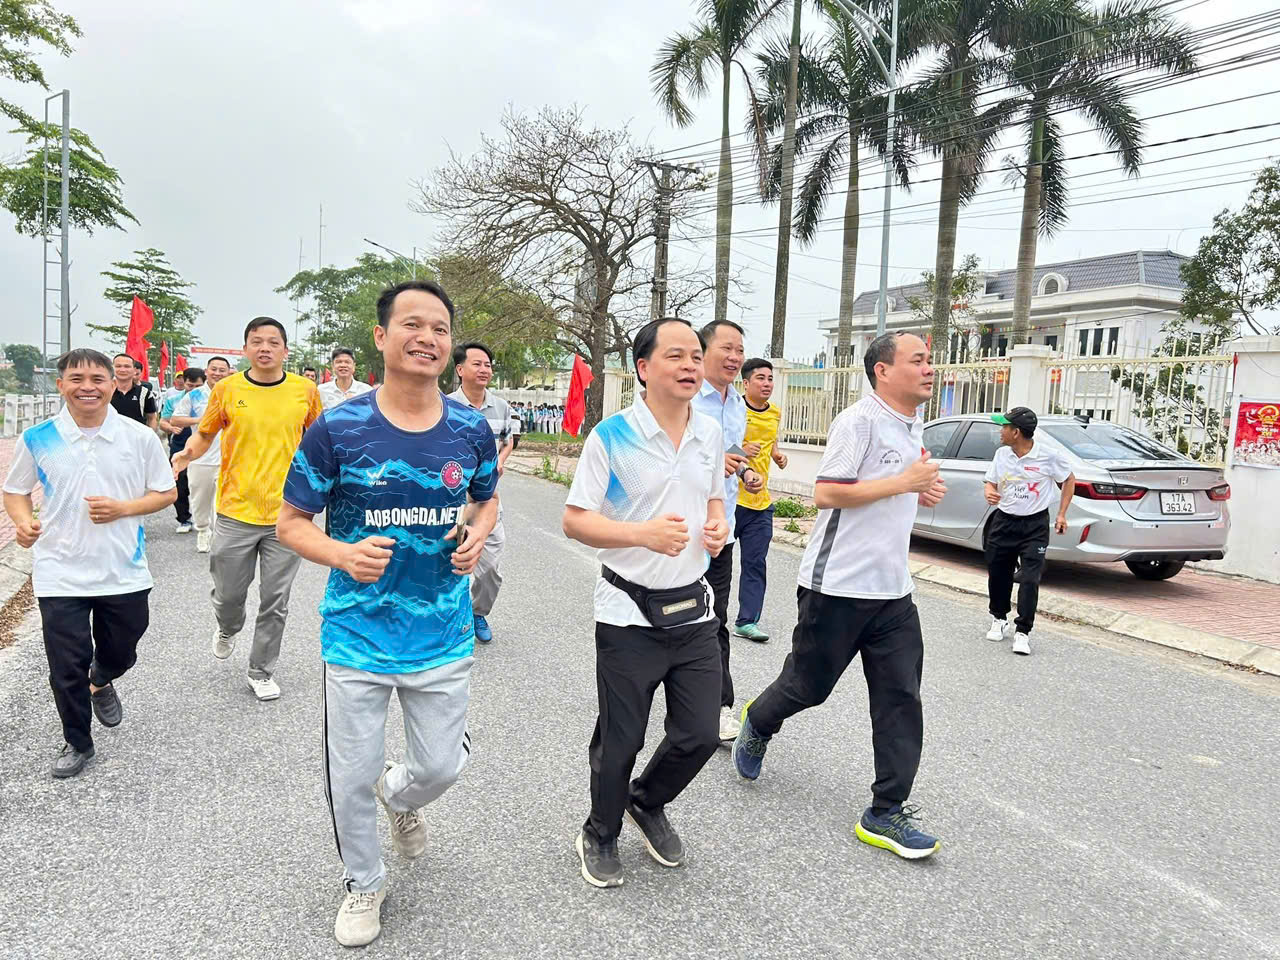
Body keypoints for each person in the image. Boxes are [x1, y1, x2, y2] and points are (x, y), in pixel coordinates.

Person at [278, 280, 498, 947]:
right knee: (349, 774)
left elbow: (487, 498)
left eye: (439, 327)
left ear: (449, 345)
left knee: (440, 768)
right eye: (412, 324)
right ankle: (364, 884)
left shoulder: (470, 428)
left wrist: (479, 532)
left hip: (442, 631)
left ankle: (399, 798)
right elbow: (290, 523)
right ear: (381, 338)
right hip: (357, 633)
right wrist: (342, 554)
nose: (427, 337)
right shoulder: (338, 428)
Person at [733, 332, 948, 861]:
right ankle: (758, 722)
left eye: (928, 360)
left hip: (893, 592)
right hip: (836, 587)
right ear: (883, 370)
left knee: (902, 697)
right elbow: (827, 492)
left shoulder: (909, 423)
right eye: (917, 360)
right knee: (808, 686)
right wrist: (904, 482)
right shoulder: (860, 420)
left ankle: (885, 812)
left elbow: (889, 487)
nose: (929, 368)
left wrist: (916, 487)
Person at [562, 316, 729, 889]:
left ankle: (647, 801)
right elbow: (575, 520)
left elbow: (714, 500)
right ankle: (600, 831)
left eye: (695, 356)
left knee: (700, 733)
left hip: (694, 611)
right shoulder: (611, 436)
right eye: (676, 356)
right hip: (628, 614)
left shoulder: (709, 433)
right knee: (622, 739)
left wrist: (716, 527)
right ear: (643, 367)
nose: (690, 366)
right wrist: (643, 535)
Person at [2, 348, 177, 778]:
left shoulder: (137, 437)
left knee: (123, 648)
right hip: (59, 571)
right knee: (65, 666)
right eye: (76, 378)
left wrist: (123, 509)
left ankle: (101, 679)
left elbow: (166, 492)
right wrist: (23, 523)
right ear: (60, 385)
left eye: (97, 379)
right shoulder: (39, 437)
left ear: (112, 384)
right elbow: (15, 491)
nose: (87, 387)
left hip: (123, 569)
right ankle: (77, 741)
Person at [171, 318, 323, 701]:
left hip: (288, 515)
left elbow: (321, 441)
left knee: (276, 600)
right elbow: (205, 432)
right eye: (257, 342)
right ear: (245, 349)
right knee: (228, 595)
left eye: (274, 342)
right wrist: (187, 455)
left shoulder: (304, 390)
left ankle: (261, 669)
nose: (265, 348)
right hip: (236, 510)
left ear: (286, 351)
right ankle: (227, 626)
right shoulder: (227, 388)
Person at [691, 320, 763, 744]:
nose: (735, 357)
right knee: (669, 616)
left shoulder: (736, 404)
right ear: (703, 351)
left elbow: (731, 454)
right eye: (727, 348)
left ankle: (718, 705)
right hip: (680, 529)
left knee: (714, 617)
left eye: (740, 349)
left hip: (723, 530)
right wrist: (716, 465)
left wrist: (748, 472)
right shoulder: (684, 397)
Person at [982, 407, 1076, 656]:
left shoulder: (1048, 456)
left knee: (1030, 578)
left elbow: (1068, 479)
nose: (1000, 431)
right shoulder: (1002, 454)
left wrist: (1062, 513)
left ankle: (1023, 632)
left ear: (1016, 432)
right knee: (998, 573)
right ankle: (999, 617)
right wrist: (989, 491)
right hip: (1004, 522)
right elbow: (990, 481)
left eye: (1004, 427)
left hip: (1034, 526)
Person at [447, 342, 513, 645]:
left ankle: (478, 611)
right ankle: (448, 616)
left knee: (490, 569)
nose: (484, 369)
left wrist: (499, 461)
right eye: (477, 364)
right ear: (460, 369)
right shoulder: (444, 405)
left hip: (487, 500)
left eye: (488, 364)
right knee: (448, 561)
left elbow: (508, 440)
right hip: (451, 500)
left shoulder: (501, 407)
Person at [733, 358, 788, 642]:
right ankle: (705, 616)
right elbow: (715, 443)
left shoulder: (775, 412)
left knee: (755, 563)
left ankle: (747, 621)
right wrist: (740, 449)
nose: (767, 384)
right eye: (761, 379)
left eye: (770, 379)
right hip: (729, 500)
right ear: (746, 383)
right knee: (714, 562)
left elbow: (771, 442)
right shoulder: (733, 409)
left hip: (760, 503)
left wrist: (777, 456)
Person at [170, 356, 232, 554]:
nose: (218, 373)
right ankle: (202, 530)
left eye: (222, 370)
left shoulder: (235, 394)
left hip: (229, 458)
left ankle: (218, 535)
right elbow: (175, 419)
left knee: (223, 502)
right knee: (199, 498)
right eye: (214, 369)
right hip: (201, 458)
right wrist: (203, 420)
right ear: (206, 371)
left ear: (228, 372)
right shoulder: (195, 395)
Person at [159, 369, 199, 534]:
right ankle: (184, 519)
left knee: (200, 485)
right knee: (180, 484)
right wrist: (170, 428)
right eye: (190, 385)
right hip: (179, 446)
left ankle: (204, 519)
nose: (193, 389)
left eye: (198, 385)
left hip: (204, 448)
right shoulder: (174, 400)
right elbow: (163, 421)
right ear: (184, 383)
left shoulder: (209, 399)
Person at [110, 353, 158, 428]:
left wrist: (151, 436)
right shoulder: (104, 391)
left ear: (134, 370)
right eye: (118, 366)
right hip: (109, 437)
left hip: (137, 438)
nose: (122, 370)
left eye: (127, 366)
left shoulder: (145, 393)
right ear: (112, 369)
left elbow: (152, 418)